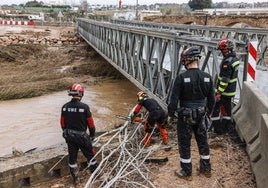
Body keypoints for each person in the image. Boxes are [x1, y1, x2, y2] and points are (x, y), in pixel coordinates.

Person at [168, 46, 215, 180]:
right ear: (198, 59)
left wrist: (171, 115)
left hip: (185, 116)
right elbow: (212, 100)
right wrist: (208, 113)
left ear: (186, 60)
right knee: (203, 140)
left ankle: (186, 171)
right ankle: (206, 168)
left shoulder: (181, 78)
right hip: (201, 114)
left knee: (184, 142)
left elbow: (173, 101)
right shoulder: (207, 77)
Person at [60, 83, 98, 184]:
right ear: (81, 93)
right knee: (91, 156)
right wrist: (92, 136)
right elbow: (91, 125)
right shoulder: (85, 107)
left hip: (69, 136)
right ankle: (95, 175)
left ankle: (75, 178)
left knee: (72, 158)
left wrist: (66, 133)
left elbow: (62, 123)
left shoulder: (64, 107)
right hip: (82, 137)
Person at [211, 38, 240, 135]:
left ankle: (218, 130)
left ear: (229, 49)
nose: (222, 52)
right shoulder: (235, 59)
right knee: (227, 110)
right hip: (231, 91)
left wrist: (219, 92)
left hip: (224, 91)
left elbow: (225, 80)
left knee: (215, 109)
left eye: (223, 50)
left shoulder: (227, 62)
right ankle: (226, 128)